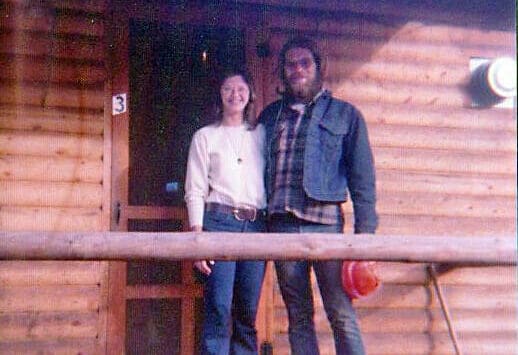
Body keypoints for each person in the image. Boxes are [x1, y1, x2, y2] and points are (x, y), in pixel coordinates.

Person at [258, 37, 378, 355]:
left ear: (318, 68)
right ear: (283, 72)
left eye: (304, 63)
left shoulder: (346, 115)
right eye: (290, 64)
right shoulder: (269, 117)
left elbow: (363, 181)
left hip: (326, 228)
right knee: (298, 317)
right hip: (281, 228)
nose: (297, 70)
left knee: (340, 314)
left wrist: (365, 238)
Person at [184, 68, 267, 355]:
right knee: (219, 308)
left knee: (247, 312)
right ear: (219, 95)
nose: (235, 95)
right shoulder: (205, 137)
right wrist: (198, 238)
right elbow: (195, 189)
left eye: (241, 89)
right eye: (228, 89)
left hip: (256, 227)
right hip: (219, 223)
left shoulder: (262, 134)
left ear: (250, 95)